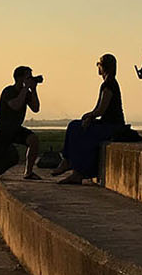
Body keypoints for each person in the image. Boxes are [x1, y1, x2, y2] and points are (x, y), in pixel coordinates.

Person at [53, 54, 135, 184]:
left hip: (112, 126)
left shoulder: (109, 84)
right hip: (108, 123)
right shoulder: (108, 83)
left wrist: (89, 116)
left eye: (99, 64)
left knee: (76, 128)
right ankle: (69, 162)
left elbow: (101, 109)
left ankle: (75, 169)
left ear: (103, 67)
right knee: (75, 126)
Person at [0, 65, 42, 216]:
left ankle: (28, 171)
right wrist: (26, 89)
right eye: (28, 77)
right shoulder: (9, 91)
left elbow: (36, 108)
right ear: (19, 78)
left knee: (33, 140)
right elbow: (15, 105)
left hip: (16, 129)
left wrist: (34, 89)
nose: (30, 79)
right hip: (3, 131)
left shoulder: (26, 93)